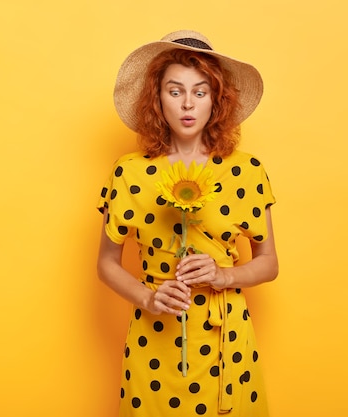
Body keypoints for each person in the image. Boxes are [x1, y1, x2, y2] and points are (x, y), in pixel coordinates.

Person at [97, 30, 278, 417]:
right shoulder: (129, 171)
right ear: (157, 99)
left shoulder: (247, 171)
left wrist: (224, 275)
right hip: (154, 340)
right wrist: (147, 297)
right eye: (174, 91)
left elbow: (269, 263)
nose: (187, 104)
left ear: (216, 99)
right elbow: (107, 263)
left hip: (225, 337)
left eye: (200, 91)